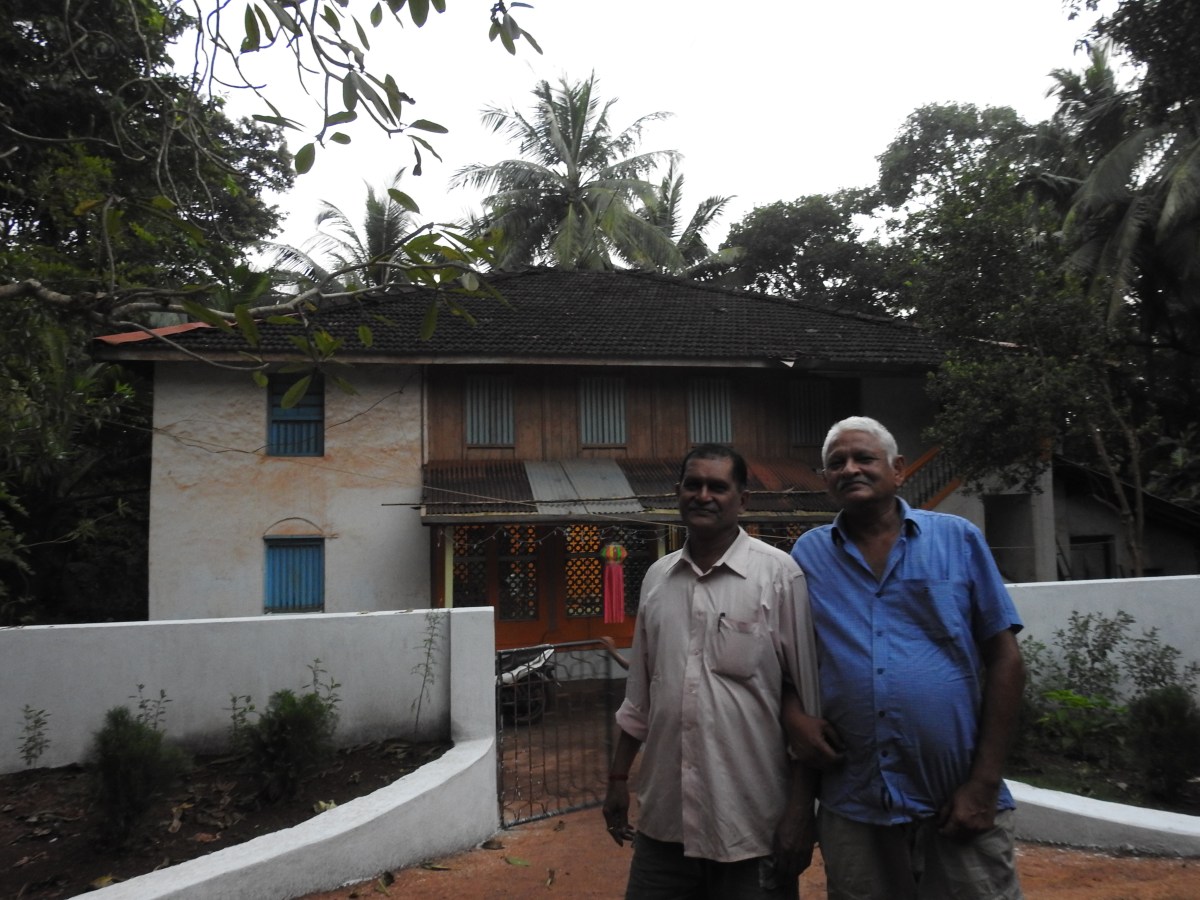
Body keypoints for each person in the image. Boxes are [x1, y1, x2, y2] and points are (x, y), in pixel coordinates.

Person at [785, 416, 1026, 900]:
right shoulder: (807, 556)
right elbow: (786, 661)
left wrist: (983, 785)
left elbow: (1007, 660)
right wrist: (793, 717)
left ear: (898, 470)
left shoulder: (957, 539)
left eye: (863, 458)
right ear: (826, 479)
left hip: (954, 798)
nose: (850, 469)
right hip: (855, 806)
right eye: (836, 463)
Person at [602, 443, 821, 899]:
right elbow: (639, 698)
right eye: (694, 485)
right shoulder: (657, 580)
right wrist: (618, 779)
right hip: (665, 823)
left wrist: (801, 813)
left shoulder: (780, 576)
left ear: (742, 499)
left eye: (718, 487)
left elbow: (809, 707)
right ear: (678, 492)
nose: (704, 496)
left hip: (751, 826)